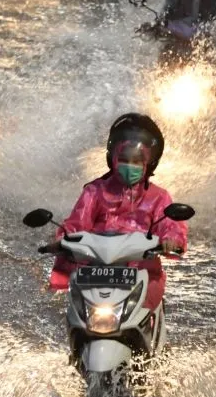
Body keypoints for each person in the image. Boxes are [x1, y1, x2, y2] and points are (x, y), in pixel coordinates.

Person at [49, 114, 188, 309]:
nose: (129, 166)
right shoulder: (94, 192)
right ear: (112, 158)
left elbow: (170, 225)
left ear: (149, 163)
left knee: (147, 303)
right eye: (123, 159)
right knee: (74, 309)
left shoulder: (159, 197)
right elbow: (76, 223)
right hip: (95, 271)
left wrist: (171, 240)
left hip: (141, 273)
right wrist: (63, 239)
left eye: (137, 161)